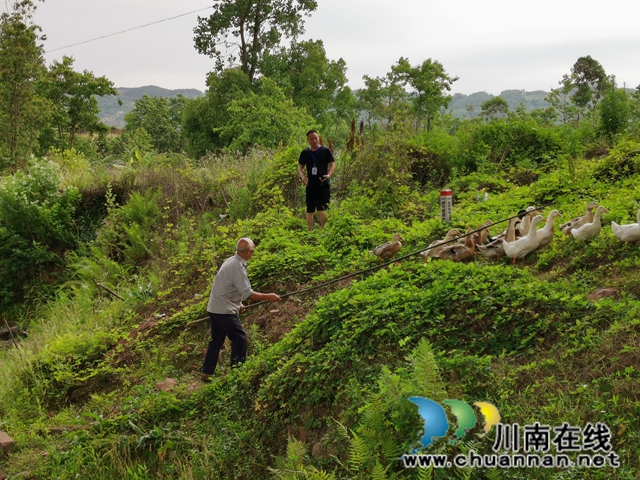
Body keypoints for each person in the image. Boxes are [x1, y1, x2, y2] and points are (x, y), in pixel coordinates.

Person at [202, 237, 280, 377]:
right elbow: (248, 293)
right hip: (224, 310)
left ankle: (207, 372)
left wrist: (238, 303)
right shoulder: (237, 267)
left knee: (217, 340)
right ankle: (237, 372)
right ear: (248, 252)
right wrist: (268, 296)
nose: (253, 252)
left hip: (215, 307)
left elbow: (227, 287)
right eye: (253, 250)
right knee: (240, 337)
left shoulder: (231, 261)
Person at [298, 130, 335, 230]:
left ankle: (323, 230)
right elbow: (300, 167)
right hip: (311, 184)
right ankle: (309, 232)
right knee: (310, 209)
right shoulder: (305, 153)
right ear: (308, 140)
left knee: (322, 208)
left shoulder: (325, 151)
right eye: (312, 139)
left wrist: (328, 174)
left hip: (323, 183)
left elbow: (332, 164)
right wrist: (302, 176)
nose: (315, 140)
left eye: (316, 138)